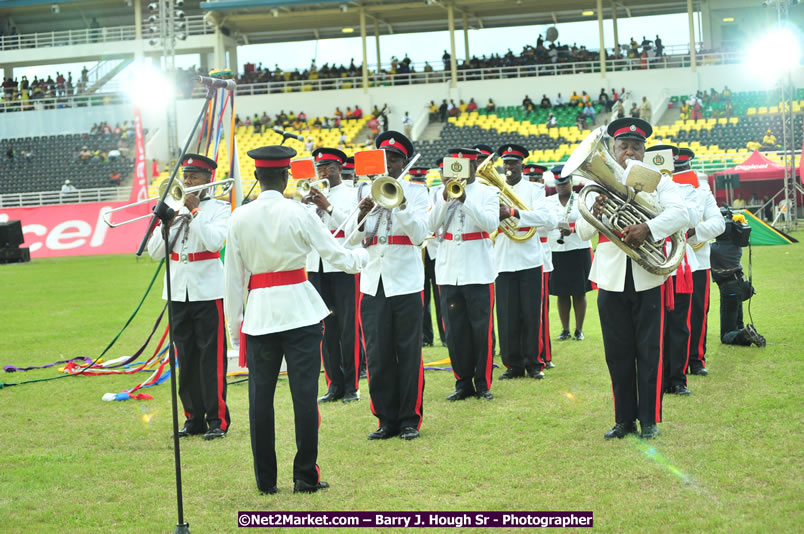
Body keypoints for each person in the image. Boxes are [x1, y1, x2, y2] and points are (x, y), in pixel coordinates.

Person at [224, 145, 368, 495]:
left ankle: (266, 481)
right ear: (287, 175)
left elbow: (232, 281)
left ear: (256, 177)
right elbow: (336, 255)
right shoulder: (300, 213)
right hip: (301, 312)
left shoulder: (238, 217)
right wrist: (363, 256)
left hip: (259, 316)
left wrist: (234, 330)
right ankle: (305, 475)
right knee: (305, 398)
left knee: (260, 401)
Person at [575, 117, 688, 440]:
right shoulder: (594, 184)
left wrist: (648, 228)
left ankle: (649, 419)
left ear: (643, 150)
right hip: (610, 279)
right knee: (617, 353)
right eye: (623, 146)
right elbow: (581, 230)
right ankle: (624, 419)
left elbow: (683, 214)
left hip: (648, 278)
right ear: (612, 149)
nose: (629, 152)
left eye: (635, 147)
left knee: (649, 351)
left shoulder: (660, 181)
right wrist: (595, 212)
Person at [348, 131, 429, 441]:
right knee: (378, 354)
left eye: (394, 160)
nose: (388, 165)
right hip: (373, 282)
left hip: (405, 282)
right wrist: (362, 213)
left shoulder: (418, 191)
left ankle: (409, 419)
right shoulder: (364, 191)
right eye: (384, 159)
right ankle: (385, 419)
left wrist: (400, 204)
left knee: (408, 352)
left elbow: (420, 234)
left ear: (403, 163)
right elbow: (351, 240)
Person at [146, 154, 231, 441]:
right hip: (177, 291)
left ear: (209, 180)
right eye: (186, 176)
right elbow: (155, 252)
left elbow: (213, 242)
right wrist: (163, 224)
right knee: (186, 357)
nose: (188, 181)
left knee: (211, 358)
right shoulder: (174, 207)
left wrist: (195, 212)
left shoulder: (220, 209)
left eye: (194, 177)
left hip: (208, 290)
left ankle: (217, 420)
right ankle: (193, 418)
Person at [429, 147, 499, 401]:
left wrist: (464, 200)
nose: (456, 171)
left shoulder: (488, 192)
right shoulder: (439, 192)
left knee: (481, 329)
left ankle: (483, 383)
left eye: (462, 166)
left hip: (478, 268)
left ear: (472, 166)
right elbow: (429, 225)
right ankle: (462, 383)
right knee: (455, 331)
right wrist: (446, 198)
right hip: (449, 270)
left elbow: (491, 224)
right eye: (452, 166)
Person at [303, 148, 363, 404]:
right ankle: (333, 384)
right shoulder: (311, 194)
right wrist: (306, 207)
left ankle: (351, 385)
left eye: (328, 167)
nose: (323, 173)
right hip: (316, 265)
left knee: (348, 326)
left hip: (342, 263)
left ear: (340, 168)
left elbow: (351, 227)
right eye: (320, 168)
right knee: (325, 328)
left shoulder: (351, 194)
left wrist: (326, 207)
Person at [493, 144, 557, 380]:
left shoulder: (535, 189)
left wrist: (514, 213)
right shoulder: (492, 189)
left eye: (514, 163)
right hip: (502, 259)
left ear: (522, 165)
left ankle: (534, 363)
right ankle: (513, 365)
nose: (509, 167)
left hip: (530, 258)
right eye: (506, 163)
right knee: (507, 315)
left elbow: (547, 219)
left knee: (531, 313)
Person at [686, 167, 726, 376]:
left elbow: (719, 223)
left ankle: (696, 359)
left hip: (698, 261)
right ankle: (674, 362)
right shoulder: (659, 187)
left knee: (698, 312)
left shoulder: (703, 190)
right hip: (668, 263)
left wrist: (696, 232)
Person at [546, 170, 593, 341]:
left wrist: (572, 230)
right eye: (558, 184)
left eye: (564, 183)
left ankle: (579, 329)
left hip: (578, 248)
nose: (560, 187)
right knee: (561, 293)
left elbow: (588, 222)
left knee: (579, 292)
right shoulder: (548, 201)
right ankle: (565, 329)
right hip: (557, 250)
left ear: (571, 182)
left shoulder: (581, 199)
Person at [709, 211, 765, 347]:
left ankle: (745, 333)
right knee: (737, 325)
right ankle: (746, 333)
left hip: (729, 289)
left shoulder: (715, 249)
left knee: (726, 334)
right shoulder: (736, 246)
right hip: (740, 285)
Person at [419, 161, 447, 348]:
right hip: (420, 254)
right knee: (422, 299)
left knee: (440, 297)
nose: (417, 182)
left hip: (436, 251)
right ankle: (425, 336)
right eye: (414, 179)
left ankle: (445, 335)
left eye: (420, 179)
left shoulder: (436, 193)